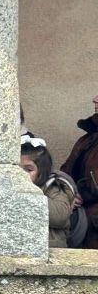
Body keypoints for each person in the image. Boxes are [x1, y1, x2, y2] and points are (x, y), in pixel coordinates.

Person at [21, 136, 85, 248]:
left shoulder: (53, 187)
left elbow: (60, 216)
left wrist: (25, 197)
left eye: (28, 170)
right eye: (17, 169)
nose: (21, 174)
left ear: (41, 172)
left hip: (50, 245)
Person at [60, 92, 98, 247]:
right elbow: (65, 173)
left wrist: (80, 193)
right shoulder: (87, 139)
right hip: (82, 229)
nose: (95, 99)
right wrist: (67, 194)